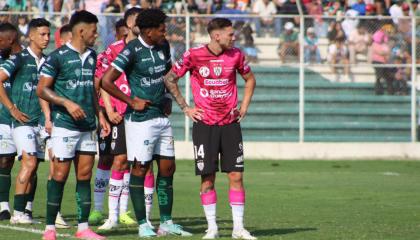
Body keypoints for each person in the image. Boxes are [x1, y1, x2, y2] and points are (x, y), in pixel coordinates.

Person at [163, 17, 257, 240]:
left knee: (236, 175)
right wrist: (186, 108)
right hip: (205, 125)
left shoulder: (236, 55)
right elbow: (170, 78)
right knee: (207, 178)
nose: (233, 38)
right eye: (230, 34)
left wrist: (243, 106)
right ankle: (212, 228)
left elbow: (250, 79)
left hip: (230, 124)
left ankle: (238, 229)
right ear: (217, 35)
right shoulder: (193, 55)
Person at [101, 8, 191, 238]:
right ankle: (143, 224)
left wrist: (171, 99)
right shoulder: (131, 50)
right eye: (162, 30)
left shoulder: (163, 47)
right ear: (149, 31)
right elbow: (106, 81)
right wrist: (131, 101)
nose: (165, 33)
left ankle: (167, 223)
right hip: (140, 121)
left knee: (168, 168)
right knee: (140, 168)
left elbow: (169, 77)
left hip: (161, 117)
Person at [37, 10, 110, 240]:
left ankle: (83, 228)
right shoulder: (57, 57)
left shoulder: (92, 55)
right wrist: (66, 102)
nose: (96, 35)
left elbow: (91, 88)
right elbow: (42, 89)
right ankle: (50, 228)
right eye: (93, 30)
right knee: (59, 174)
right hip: (65, 125)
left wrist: (101, 115)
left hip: (87, 125)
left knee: (85, 175)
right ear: (81, 31)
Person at [89, 8, 145, 229]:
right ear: (129, 23)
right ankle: (98, 208)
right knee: (107, 159)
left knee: (130, 162)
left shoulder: (148, 50)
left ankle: (122, 212)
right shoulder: (113, 50)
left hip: (138, 115)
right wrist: (107, 110)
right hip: (115, 114)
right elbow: (101, 81)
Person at [0, 18, 50, 225]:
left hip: (40, 123)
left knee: (34, 167)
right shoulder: (19, 59)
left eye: (49, 34)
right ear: (30, 36)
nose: (47, 38)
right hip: (22, 122)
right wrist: (12, 109)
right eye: (43, 34)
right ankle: (15, 211)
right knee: (27, 163)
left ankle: (24, 211)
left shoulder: (49, 61)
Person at [0, 22, 23, 221]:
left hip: (27, 119)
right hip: (4, 118)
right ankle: (3, 206)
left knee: (30, 163)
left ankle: (27, 208)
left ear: (11, 39)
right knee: (5, 161)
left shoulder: (27, 58)